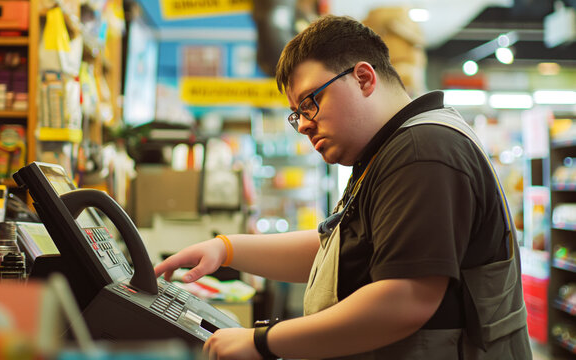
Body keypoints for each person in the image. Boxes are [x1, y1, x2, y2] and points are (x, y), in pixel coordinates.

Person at [154, 15, 532, 360]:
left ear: (364, 78)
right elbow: (334, 253)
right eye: (296, 114)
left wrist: (262, 341)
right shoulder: (387, 151)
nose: (302, 125)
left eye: (310, 103)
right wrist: (226, 249)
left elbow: (405, 299)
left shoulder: (422, 152)